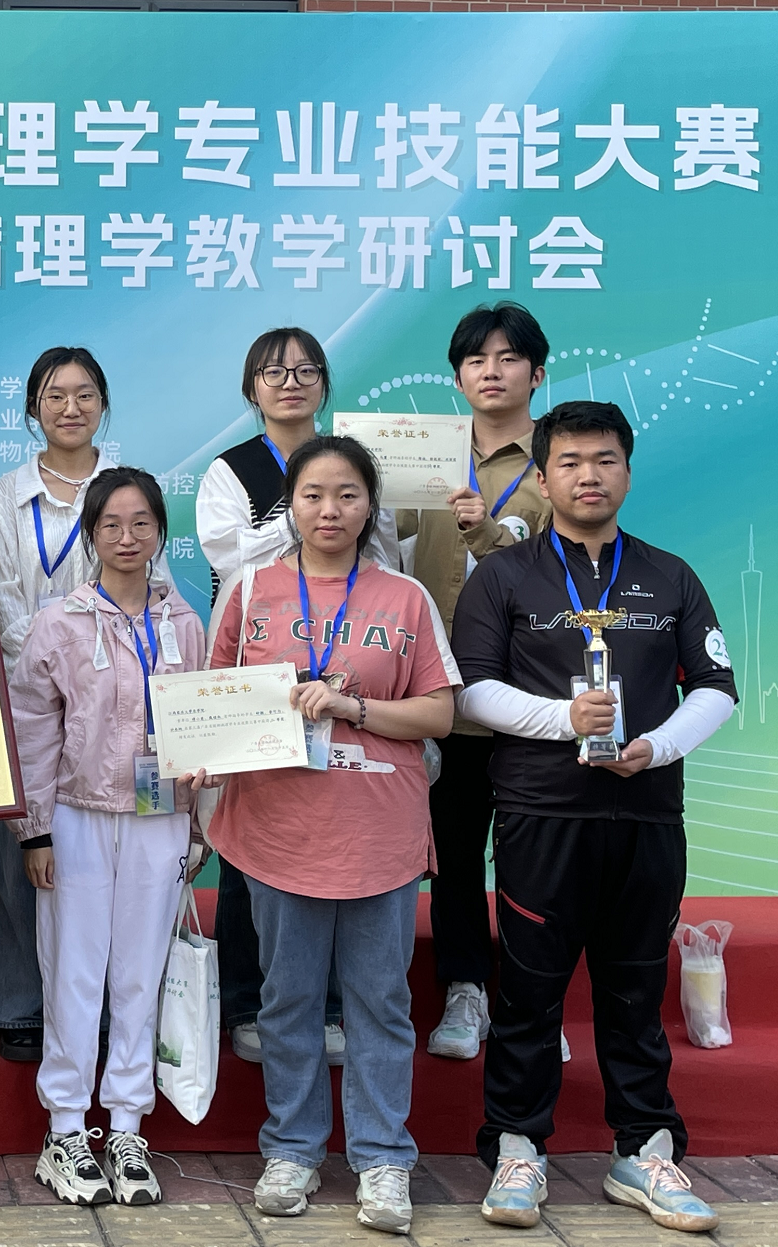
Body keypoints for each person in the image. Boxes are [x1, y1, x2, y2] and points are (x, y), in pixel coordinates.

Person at [454, 401, 736, 1233]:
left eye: (605, 459)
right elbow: (471, 690)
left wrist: (656, 745)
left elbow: (717, 688)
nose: (588, 475)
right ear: (542, 479)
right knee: (529, 993)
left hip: (647, 816)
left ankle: (644, 1150)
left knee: (635, 991)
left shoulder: (670, 574)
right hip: (542, 814)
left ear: (628, 473)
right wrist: (562, 719)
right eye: (570, 462)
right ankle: (517, 1148)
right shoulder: (503, 577)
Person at [207, 436, 458, 1236]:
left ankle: (383, 1157)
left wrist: (353, 707)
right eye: (312, 494)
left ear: (369, 506)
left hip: (379, 832)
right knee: (286, 1000)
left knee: (380, 1002)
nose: (329, 510)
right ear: (290, 504)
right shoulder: (250, 591)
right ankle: (293, 1146)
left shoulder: (405, 597)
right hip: (278, 829)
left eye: (347, 494)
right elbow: (213, 702)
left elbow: (439, 713)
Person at [194, 328, 399, 1068]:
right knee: (251, 839)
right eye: (274, 372)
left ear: (325, 383)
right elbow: (228, 554)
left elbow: (385, 553)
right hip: (258, 666)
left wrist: (330, 507)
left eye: (306, 370)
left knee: (339, 847)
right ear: (251, 387)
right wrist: (305, 512)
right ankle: (247, 1001)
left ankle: (336, 1007)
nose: (290, 382)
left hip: (345, 674)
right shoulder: (231, 468)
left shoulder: (355, 458)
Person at [11, 467, 209, 1208]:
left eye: (141, 523)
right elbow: (33, 731)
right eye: (110, 525)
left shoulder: (185, 622)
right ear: (90, 534)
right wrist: (34, 831)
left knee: (139, 973)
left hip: (161, 819)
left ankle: (126, 1126)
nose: (127, 538)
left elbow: (203, 730)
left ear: (160, 532)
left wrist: (198, 822)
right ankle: (65, 1128)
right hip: (77, 816)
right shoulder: (58, 623)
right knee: (73, 970)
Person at [404, 304, 553, 1062]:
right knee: (455, 855)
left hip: (531, 694)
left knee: (535, 861)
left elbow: (565, 564)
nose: (490, 372)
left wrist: (490, 534)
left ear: (538, 371)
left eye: (507, 357)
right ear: (457, 376)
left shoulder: (560, 457)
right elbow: (374, 535)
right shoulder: (424, 454)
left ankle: (534, 1002)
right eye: (474, 360)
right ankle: (466, 989)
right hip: (441, 693)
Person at [0, 346, 129, 1063]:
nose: (70, 408)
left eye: (84, 394)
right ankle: (18, 1001)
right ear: (32, 408)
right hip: (22, 687)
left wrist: (88, 665)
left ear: (103, 403)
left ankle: (95, 1005)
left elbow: (148, 585)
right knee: (24, 847)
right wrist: (49, 657)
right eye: (54, 395)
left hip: (111, 696)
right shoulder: (2, 496)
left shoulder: (128, 488)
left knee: (101, 856)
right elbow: (0, 593)